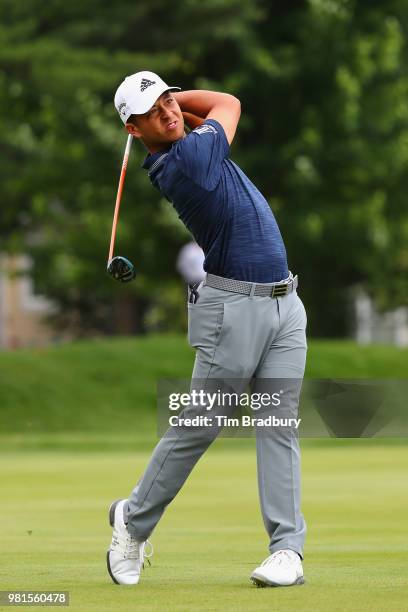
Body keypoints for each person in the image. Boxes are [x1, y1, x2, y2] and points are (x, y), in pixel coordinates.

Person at [107, 70, 307, 588]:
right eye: (153, 111)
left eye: (169, 100)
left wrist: (170, 106)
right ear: (133, 130)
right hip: (232, 309)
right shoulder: (188, 163)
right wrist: (187, 108)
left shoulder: (191, 146)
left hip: (286, 304)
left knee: (278, 425)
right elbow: (228, 101)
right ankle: (134, 521)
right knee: (200, 424)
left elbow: (200, 118)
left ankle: (287, 550)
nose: (169, 111)